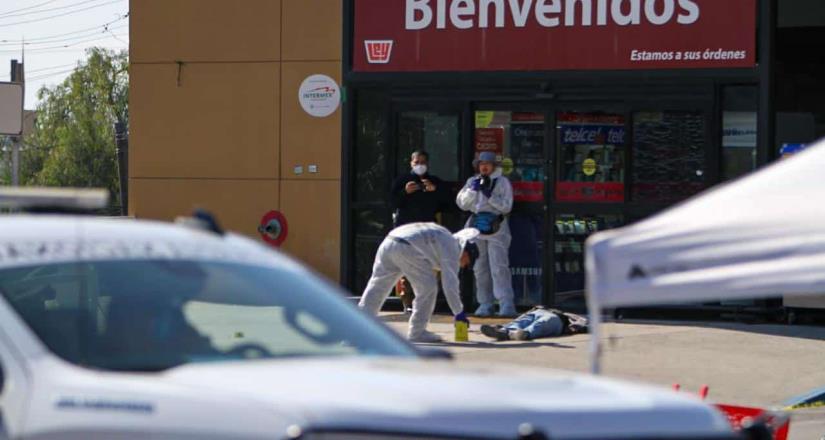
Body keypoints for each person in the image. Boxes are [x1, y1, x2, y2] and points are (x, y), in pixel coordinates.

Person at [358, 223, 479, 343]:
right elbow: (450, 285)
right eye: (467, 262)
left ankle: (357, 329)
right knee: (428, 289)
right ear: (466, 253)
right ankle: (417, 332)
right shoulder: (453, 248)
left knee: (377, 287)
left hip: (389, 242)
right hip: (407, 246)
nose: (464, 266)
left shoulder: (444, 236)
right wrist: (459, 313)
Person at [390, 150, 453, 311]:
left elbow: (449, 204)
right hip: (406, 231)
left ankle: (426, 302)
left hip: (427, 232)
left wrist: (435, 191)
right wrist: (405, 192)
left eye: (423, 162)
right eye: (416, 162)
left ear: (428, 164)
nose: (420, 165)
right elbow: (391, 202)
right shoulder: (402, 180)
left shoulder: (434, 182)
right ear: (411, 163)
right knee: (406, 267)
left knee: (429, 267)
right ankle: (408, 302)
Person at [456, 151, 517, 317]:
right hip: (476, 227)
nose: (483, 166)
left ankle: (506, 304)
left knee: (499, 267)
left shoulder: (502, 182)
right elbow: (462, 204)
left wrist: (490, 196)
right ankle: (485, 303)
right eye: (481, 163)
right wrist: (473, 191)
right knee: (480, 267)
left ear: (494, 166)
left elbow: (506, 207)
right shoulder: (472, 181)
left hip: (497, 227)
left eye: (487, 163)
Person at [480, 306, 589, 341]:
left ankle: (520, 334)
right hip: (538, 311)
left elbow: (582, 322)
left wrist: (578, 327)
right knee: (521, 322)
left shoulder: (567, 315)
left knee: (541, 323)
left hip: (557, 319)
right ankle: (504, 331)